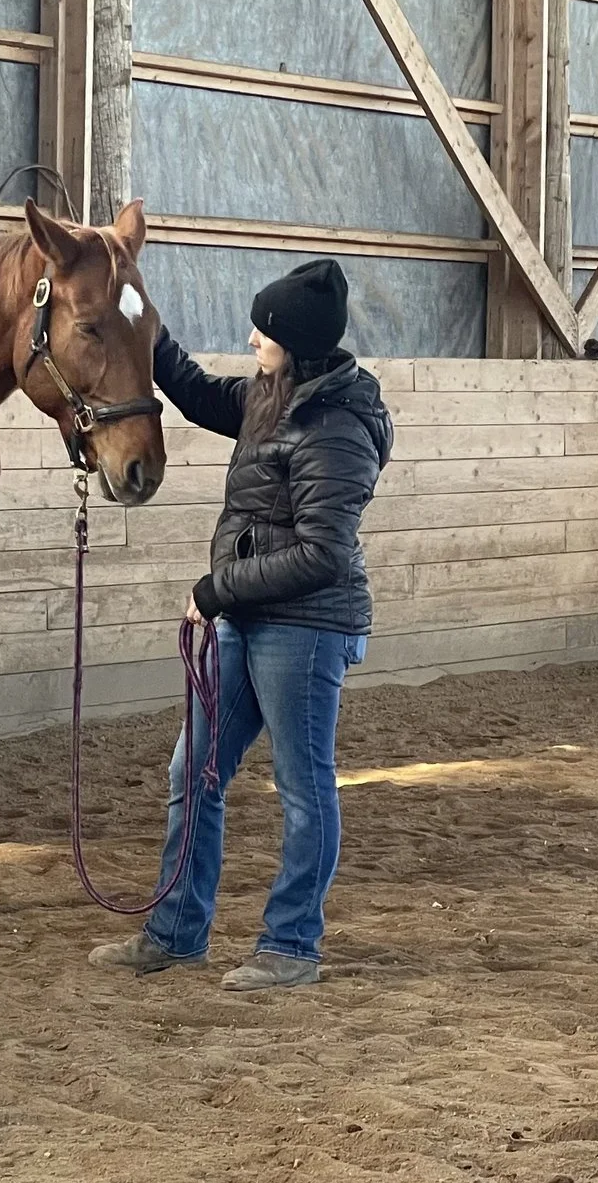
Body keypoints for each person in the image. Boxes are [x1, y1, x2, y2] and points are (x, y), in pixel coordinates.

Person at [90, 259, 394, 992]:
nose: (253, 337)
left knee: (302, 787)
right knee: (191, 773)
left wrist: (218, 588)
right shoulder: (273, 396)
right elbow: (194, 393)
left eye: (267, 329)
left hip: (305, 628)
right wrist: (142, 316)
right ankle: (175, 932)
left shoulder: (337, 429)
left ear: (298, 342)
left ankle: (291, 946)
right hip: (247, 617)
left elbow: (321, 554)